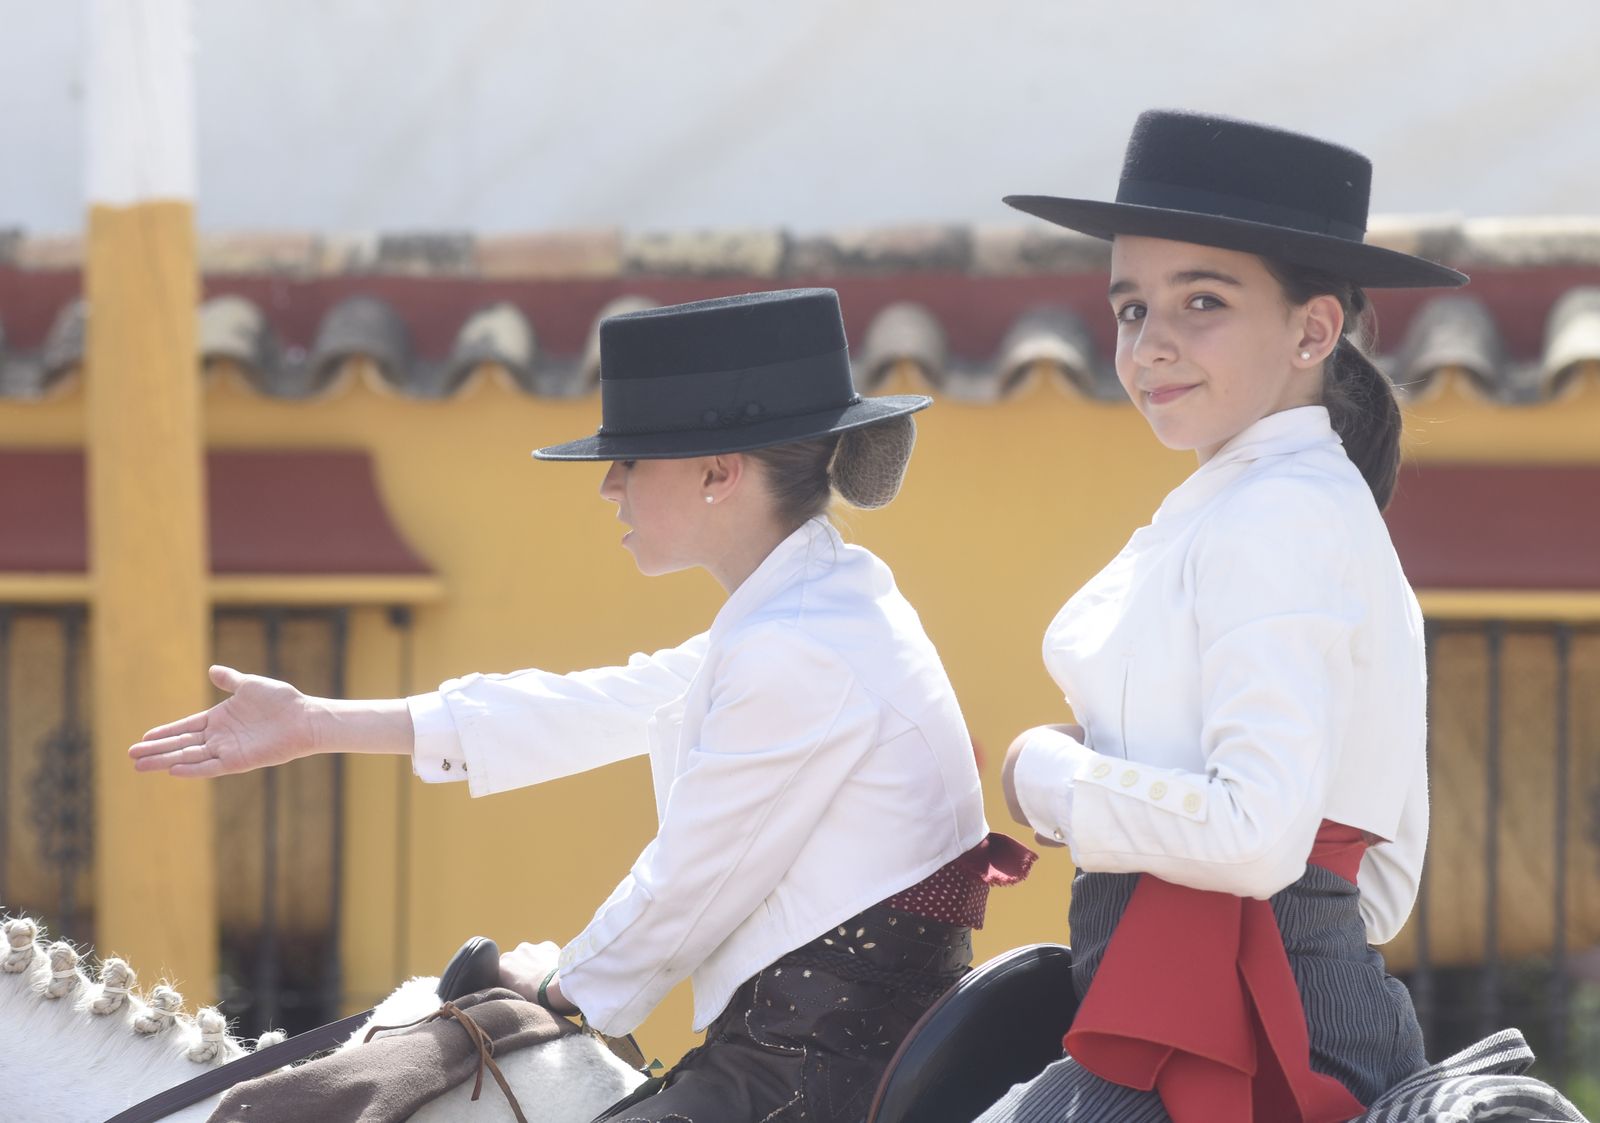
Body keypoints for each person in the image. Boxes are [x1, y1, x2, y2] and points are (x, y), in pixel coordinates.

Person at [130, 287, 1032, 1123]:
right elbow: (596, 704)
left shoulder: (798, 641)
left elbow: (686, 885)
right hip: (796, 1065)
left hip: (802, 1087)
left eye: (628, 462)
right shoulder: (812, 604)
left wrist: (559, 986)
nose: (609, 488)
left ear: (719, 472)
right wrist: (317, 724)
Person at [987, 110, 1469, 1123]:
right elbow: (1375, 879)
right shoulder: (1273, 506)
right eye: (1129, 309)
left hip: (1251, 1042)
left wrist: (1050, 773)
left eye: (1200, 300)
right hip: (1259, 1003)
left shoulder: (1275, 516)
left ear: (1311, 328)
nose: (1150, 343)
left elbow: (1254, 835)